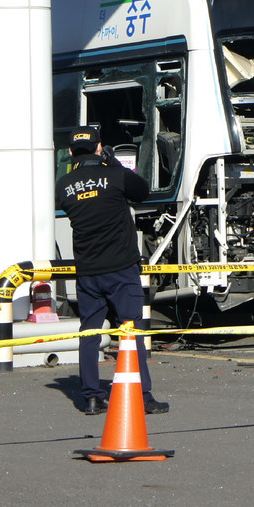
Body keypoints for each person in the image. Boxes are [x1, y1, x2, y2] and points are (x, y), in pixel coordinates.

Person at [55, 126, 169, 416]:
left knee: (89, 334)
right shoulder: (115, 175)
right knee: (132, 333)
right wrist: (112, 162)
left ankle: (92, 397)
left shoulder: (64, 185)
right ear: (99, 147)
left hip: (88, 272)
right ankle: (142, 396)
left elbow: (74, 202)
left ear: (70, 152)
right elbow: (141, 191)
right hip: (121, 269)